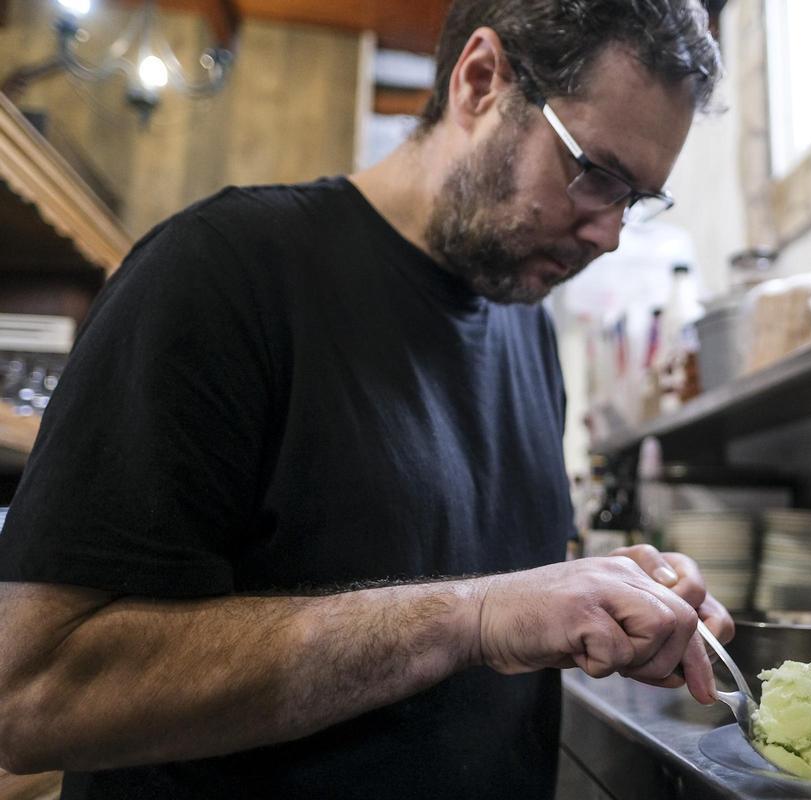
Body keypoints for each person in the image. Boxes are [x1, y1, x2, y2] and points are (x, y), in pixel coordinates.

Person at [0, 1, 729, 798]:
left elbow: (469, 569)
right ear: (480, 81)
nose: (610, 234)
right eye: (598, 175)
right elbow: (33, 695)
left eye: (637, 200)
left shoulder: (528, 332)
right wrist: (473, 617)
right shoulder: (221, 272)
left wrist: (608, 592)